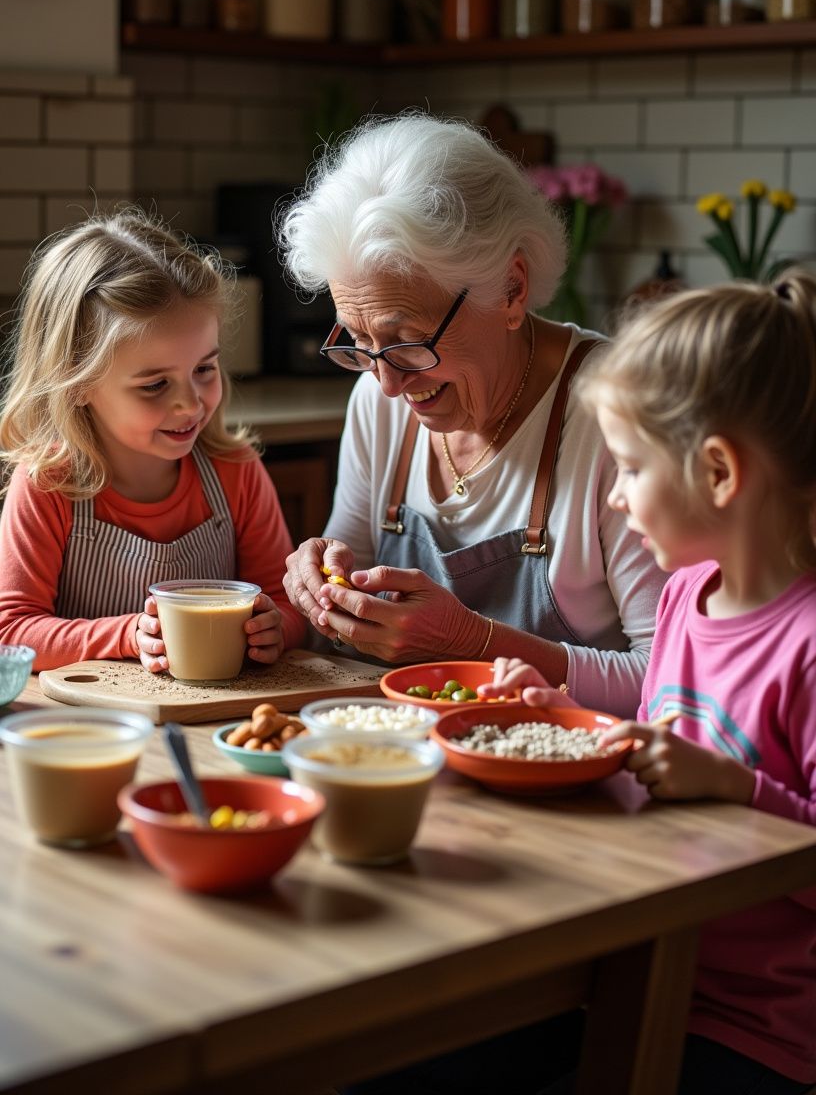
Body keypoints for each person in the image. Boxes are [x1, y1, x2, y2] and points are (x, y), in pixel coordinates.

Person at [484, 272, 816, 1095]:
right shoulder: (681, 595)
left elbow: (713, 778)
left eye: (628, 468)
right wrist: (569, 720)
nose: (618, 497)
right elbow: (667, 748)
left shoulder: (807, 645)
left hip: (757, 1030)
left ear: (717, 472)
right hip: (636, 961)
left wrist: (736, 788)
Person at [279, 112, 665, 718]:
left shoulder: (619, 413)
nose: (385, 384)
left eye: (407, 340)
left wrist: (475, 642)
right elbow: (340, 591)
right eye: (357, 342)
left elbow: (668, 682)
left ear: (511, 290)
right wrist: (320, 590)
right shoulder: (380, 402)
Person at [0, 210, 304, 672]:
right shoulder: (49, 484)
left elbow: (286, 600)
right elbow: (12, 632)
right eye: (154, 385)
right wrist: (127, 635)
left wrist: (275, 626)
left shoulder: (235, 470)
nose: (189, 404)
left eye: (204, 369)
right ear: (76, 383)